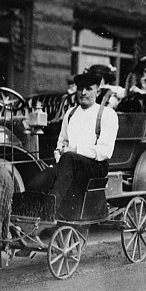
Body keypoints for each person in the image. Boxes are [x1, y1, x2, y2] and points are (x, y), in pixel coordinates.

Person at [30, 72, 119, 217]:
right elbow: (62, 141)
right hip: (68, 165)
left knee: (70, 158)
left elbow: (105, 151)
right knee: (41, 180)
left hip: (95, 166)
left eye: (88, 89)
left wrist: (75, 150)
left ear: (98, 91)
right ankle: (29, 211)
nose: (83, 93)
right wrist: (60, 155)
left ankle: (50, 210)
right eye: (80, 88)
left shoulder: (107, 114)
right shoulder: (70, 113)